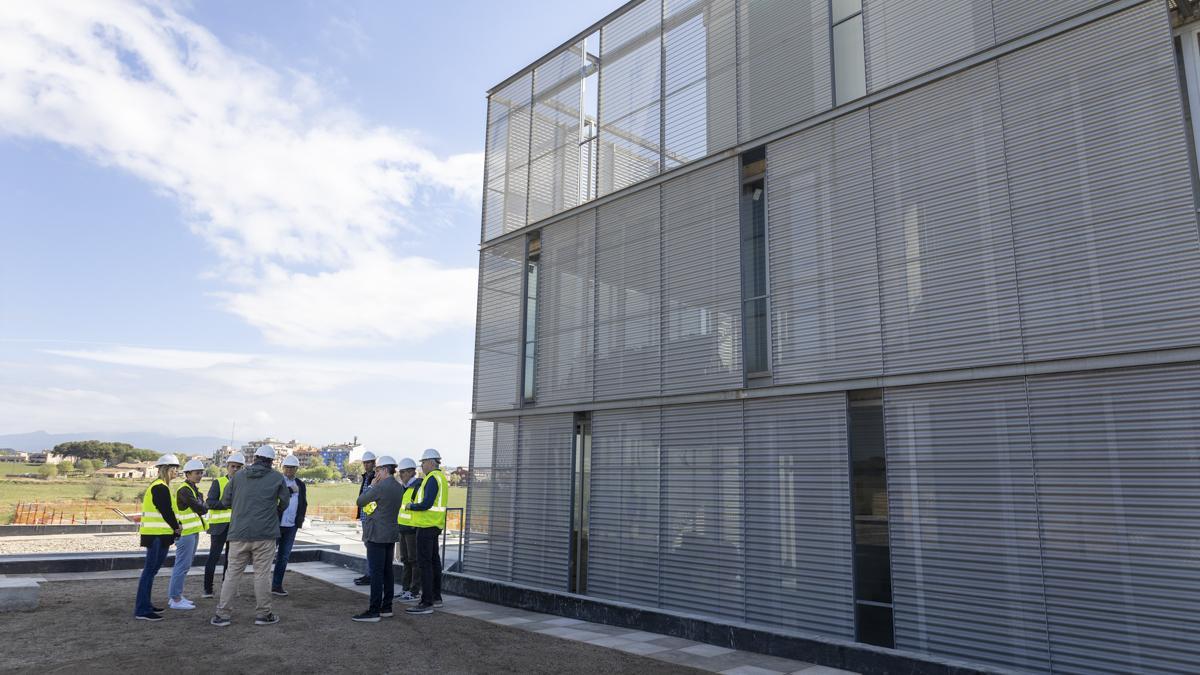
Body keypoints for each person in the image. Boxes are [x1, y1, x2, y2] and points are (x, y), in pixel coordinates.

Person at [210, 446, 290, 627]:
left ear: (255, 458)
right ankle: (263, 614)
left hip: (238, 534)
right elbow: (285, 502)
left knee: (232, 575)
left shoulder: (238, 476)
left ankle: (222, 615)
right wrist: (273, 510)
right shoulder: (277, 478)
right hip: (265, 534)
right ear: (271, 461)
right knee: (262, 575)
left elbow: (225, 501)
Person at [353, 455, 404, 622]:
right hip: (390, 534)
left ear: (383, 470)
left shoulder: (380, 486)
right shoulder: (398, 487)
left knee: (376, 573)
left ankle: (374, 610)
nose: (375, 474)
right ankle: (386, 607)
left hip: (376, 535)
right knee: (387, 571)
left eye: (377, 471)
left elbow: (360, 501)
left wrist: (371, 486)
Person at [133, 454, 182, 621]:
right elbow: (166, 511)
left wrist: (176, 526)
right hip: (155, 536)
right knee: (149, 571)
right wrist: (176, 527)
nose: (177, 471)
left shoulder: (162, 487)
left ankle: (145, 604)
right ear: (166, 469)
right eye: (174, 468)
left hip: (159, 536)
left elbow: (169, 511)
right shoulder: (160, 487)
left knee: (151, 571)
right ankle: (142, 609)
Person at [403, 448, 448, 615]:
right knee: (434, 562)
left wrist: (411, 506)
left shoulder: (431, 479)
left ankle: (426, 602)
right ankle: (436, 598)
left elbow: (426, 503)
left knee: (425, 564)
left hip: (426, 526)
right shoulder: (441, 478)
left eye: (422, 463)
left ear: (430, 462)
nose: (421, 466)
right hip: (435, 526)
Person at [167, 459, 209, 610]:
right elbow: (202, 508)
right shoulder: (184, 490)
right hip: (187, 534)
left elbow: (202, 506)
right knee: (182, 566)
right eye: (197, 473)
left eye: (201, 473)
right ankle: (175, 599)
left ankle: (176, 596)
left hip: (192, 532)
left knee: (185, 565)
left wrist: (202, 503)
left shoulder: (192, 489)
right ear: (188, 474)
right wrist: (203, 503)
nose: (200, 476)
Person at [202, 452, 244, 598]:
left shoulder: (244, 484)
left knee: (232, 560)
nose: (235, 469)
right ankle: (208, 589)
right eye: (233, 466)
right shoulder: (218, 482)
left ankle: (229, 588)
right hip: (219, 527)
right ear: (227, 467)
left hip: (236, 527)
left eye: (239, 467)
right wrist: (228, 505)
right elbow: (210, 502)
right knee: (213, 558)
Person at [272, 454, 307, 596]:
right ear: (282, 468)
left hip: (291, 526)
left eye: (292, 468)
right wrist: (290, 491)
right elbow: (272, 500)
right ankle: (262, 584)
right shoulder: (277, 482)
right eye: (286, 467)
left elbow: (303, 503)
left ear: (296, 469)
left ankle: (276, 585)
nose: (288, 470)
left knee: (284, 557)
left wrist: (300, 520)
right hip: (276, 525)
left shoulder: (301, 484)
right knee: (267, 556)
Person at [395, 457, 421, 603]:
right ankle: (405, 589)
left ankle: (414, 591)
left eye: (403, 472)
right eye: (400, 473)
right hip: (403, 529)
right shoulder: (404, 488)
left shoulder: (417, 487)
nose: (401, 475)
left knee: (414, 560)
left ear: (412, 472)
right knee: (405, 559)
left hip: (412, 529)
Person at [352, 450, 377, 586]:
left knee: (371, 546)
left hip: (371, 517)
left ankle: (371, 575)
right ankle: (369, 574)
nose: (366, 465)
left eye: (369, 462)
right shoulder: (366, 477)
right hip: (364, 516)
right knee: (368, 546)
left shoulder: (375, 477)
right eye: (365, 463)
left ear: (374, 463)